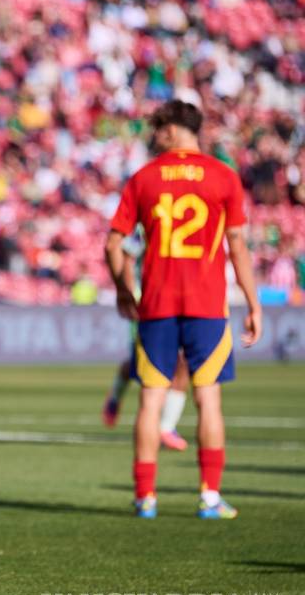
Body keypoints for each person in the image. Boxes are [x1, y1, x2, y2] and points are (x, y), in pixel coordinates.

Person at [105, 100, 261, 520]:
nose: (154, 137)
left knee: (151, 401)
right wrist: (252, 302)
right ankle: (209, 498)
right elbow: (238, 246)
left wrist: (123, 290)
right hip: (207, 305)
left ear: (173, 130)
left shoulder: (144, 178)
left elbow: (112, 244)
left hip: (156, 305)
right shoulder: (224, 177)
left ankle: (145, 498)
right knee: (208, 400)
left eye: (158, 130)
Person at [101, 232, 190, 452]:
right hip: (149, 306)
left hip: (179, 304)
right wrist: (131, 295)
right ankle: (114, 398)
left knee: (182, 364)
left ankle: (166, 427)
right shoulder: (147, 225)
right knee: (138, 366)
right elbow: (127, 256)